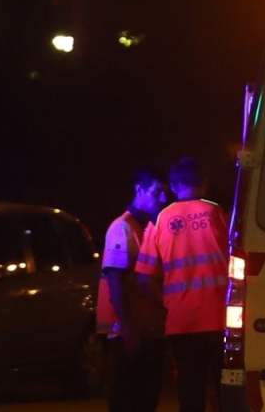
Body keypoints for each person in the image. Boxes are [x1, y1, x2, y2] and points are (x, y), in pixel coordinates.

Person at [136, 157, 228, 412]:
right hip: (219, 319)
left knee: (190, 389)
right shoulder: (216, 213)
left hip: (181, 321)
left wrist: (166, 303)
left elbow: (144, 276)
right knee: (223, 389)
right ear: (204, 184)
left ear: (173, 186)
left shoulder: (160, 219)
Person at [96, 167, 169, 412]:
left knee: (146, 400)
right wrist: (128, 329)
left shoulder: (149, 228)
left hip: (149, 331)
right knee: (127, 400)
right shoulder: (122, 228)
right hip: (130, 334)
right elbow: (115, 281)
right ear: (139, 190)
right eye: (157, 191)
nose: (163, 198)